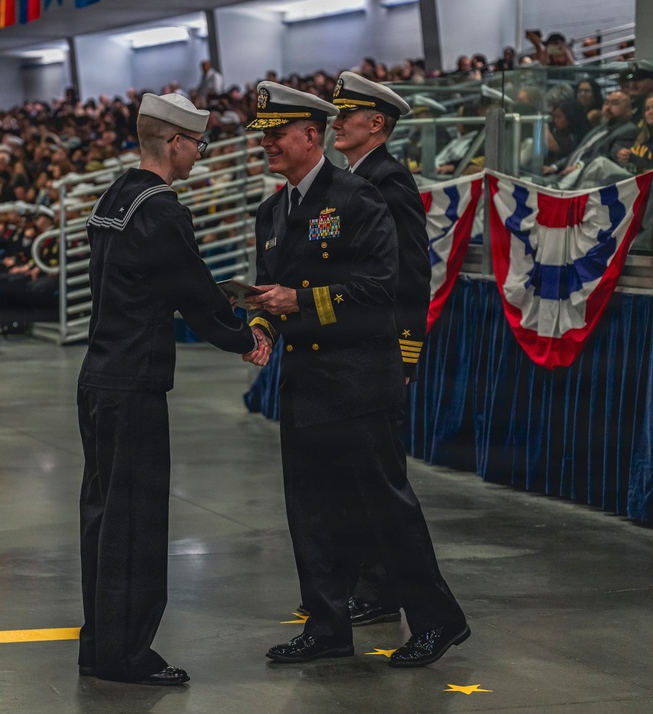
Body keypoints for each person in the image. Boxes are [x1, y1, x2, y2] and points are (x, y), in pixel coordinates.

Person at [244, 81, 468, 668]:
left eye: (276, 134)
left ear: (309, 136)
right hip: (306, 382)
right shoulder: (271, 212)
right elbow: (272, 294)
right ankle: (326, 626)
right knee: (311, 510)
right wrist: (261, 328)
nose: (266, 144)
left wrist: (302, 300)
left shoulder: (359, 198)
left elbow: (382, 291)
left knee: (386, 508)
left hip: (360, 379)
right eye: (262, 136)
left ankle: (437, 620)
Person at [77, 92, 270, 686]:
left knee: (102, 517)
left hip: (98, 374)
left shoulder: (114, 196)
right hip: (136, 380)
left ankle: (100, 642)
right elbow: (195, 292)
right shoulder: (162, 209)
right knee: (135, 523)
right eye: (198, 144)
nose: (200, 155)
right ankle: (126, 653)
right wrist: (246, 337)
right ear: (177, 142)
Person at [326, 72, 433, 626]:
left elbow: (413, 276)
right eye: (335, 113)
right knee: (350, 474)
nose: (335, 122)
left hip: (380, 352)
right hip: (350, 351)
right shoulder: (350, 180)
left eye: (348, 115)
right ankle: (361, 581)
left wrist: (407, 350)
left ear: (378, 125)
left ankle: (382, 588)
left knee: (378, 476)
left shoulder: (388, 181)